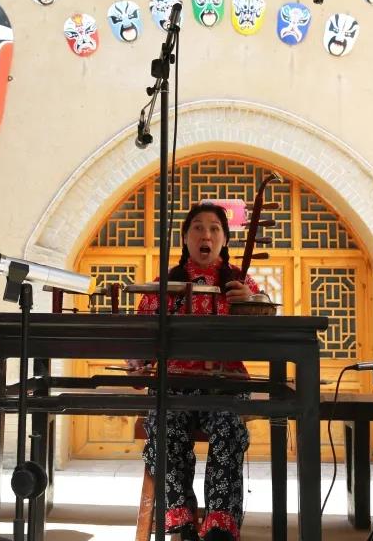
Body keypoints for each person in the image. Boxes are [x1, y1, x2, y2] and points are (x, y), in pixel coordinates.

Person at [127, 202, 270, 541]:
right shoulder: (165, 284)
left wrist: (252, 301)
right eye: (198, 227)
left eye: (214, 229)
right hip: (175, 383)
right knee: (164, 427)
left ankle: (220, 524)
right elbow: (141, 339)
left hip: (225, 384)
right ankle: (181, 520)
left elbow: (266, 323)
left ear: (225, 240)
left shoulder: (241, 282)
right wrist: (137, 361)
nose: (206, 234)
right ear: (185, 237)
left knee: (228, 427)